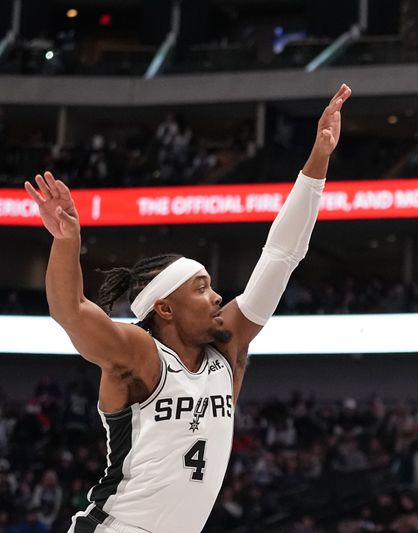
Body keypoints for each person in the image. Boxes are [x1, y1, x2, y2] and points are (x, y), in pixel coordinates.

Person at [23, 84, 352, 533]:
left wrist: (318, 160)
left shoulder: (227, 347)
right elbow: (71, 312)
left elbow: (281, 255)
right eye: (202, 288)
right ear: (166, 307)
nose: (218, 297)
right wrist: (65, 243)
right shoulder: (140, 354)